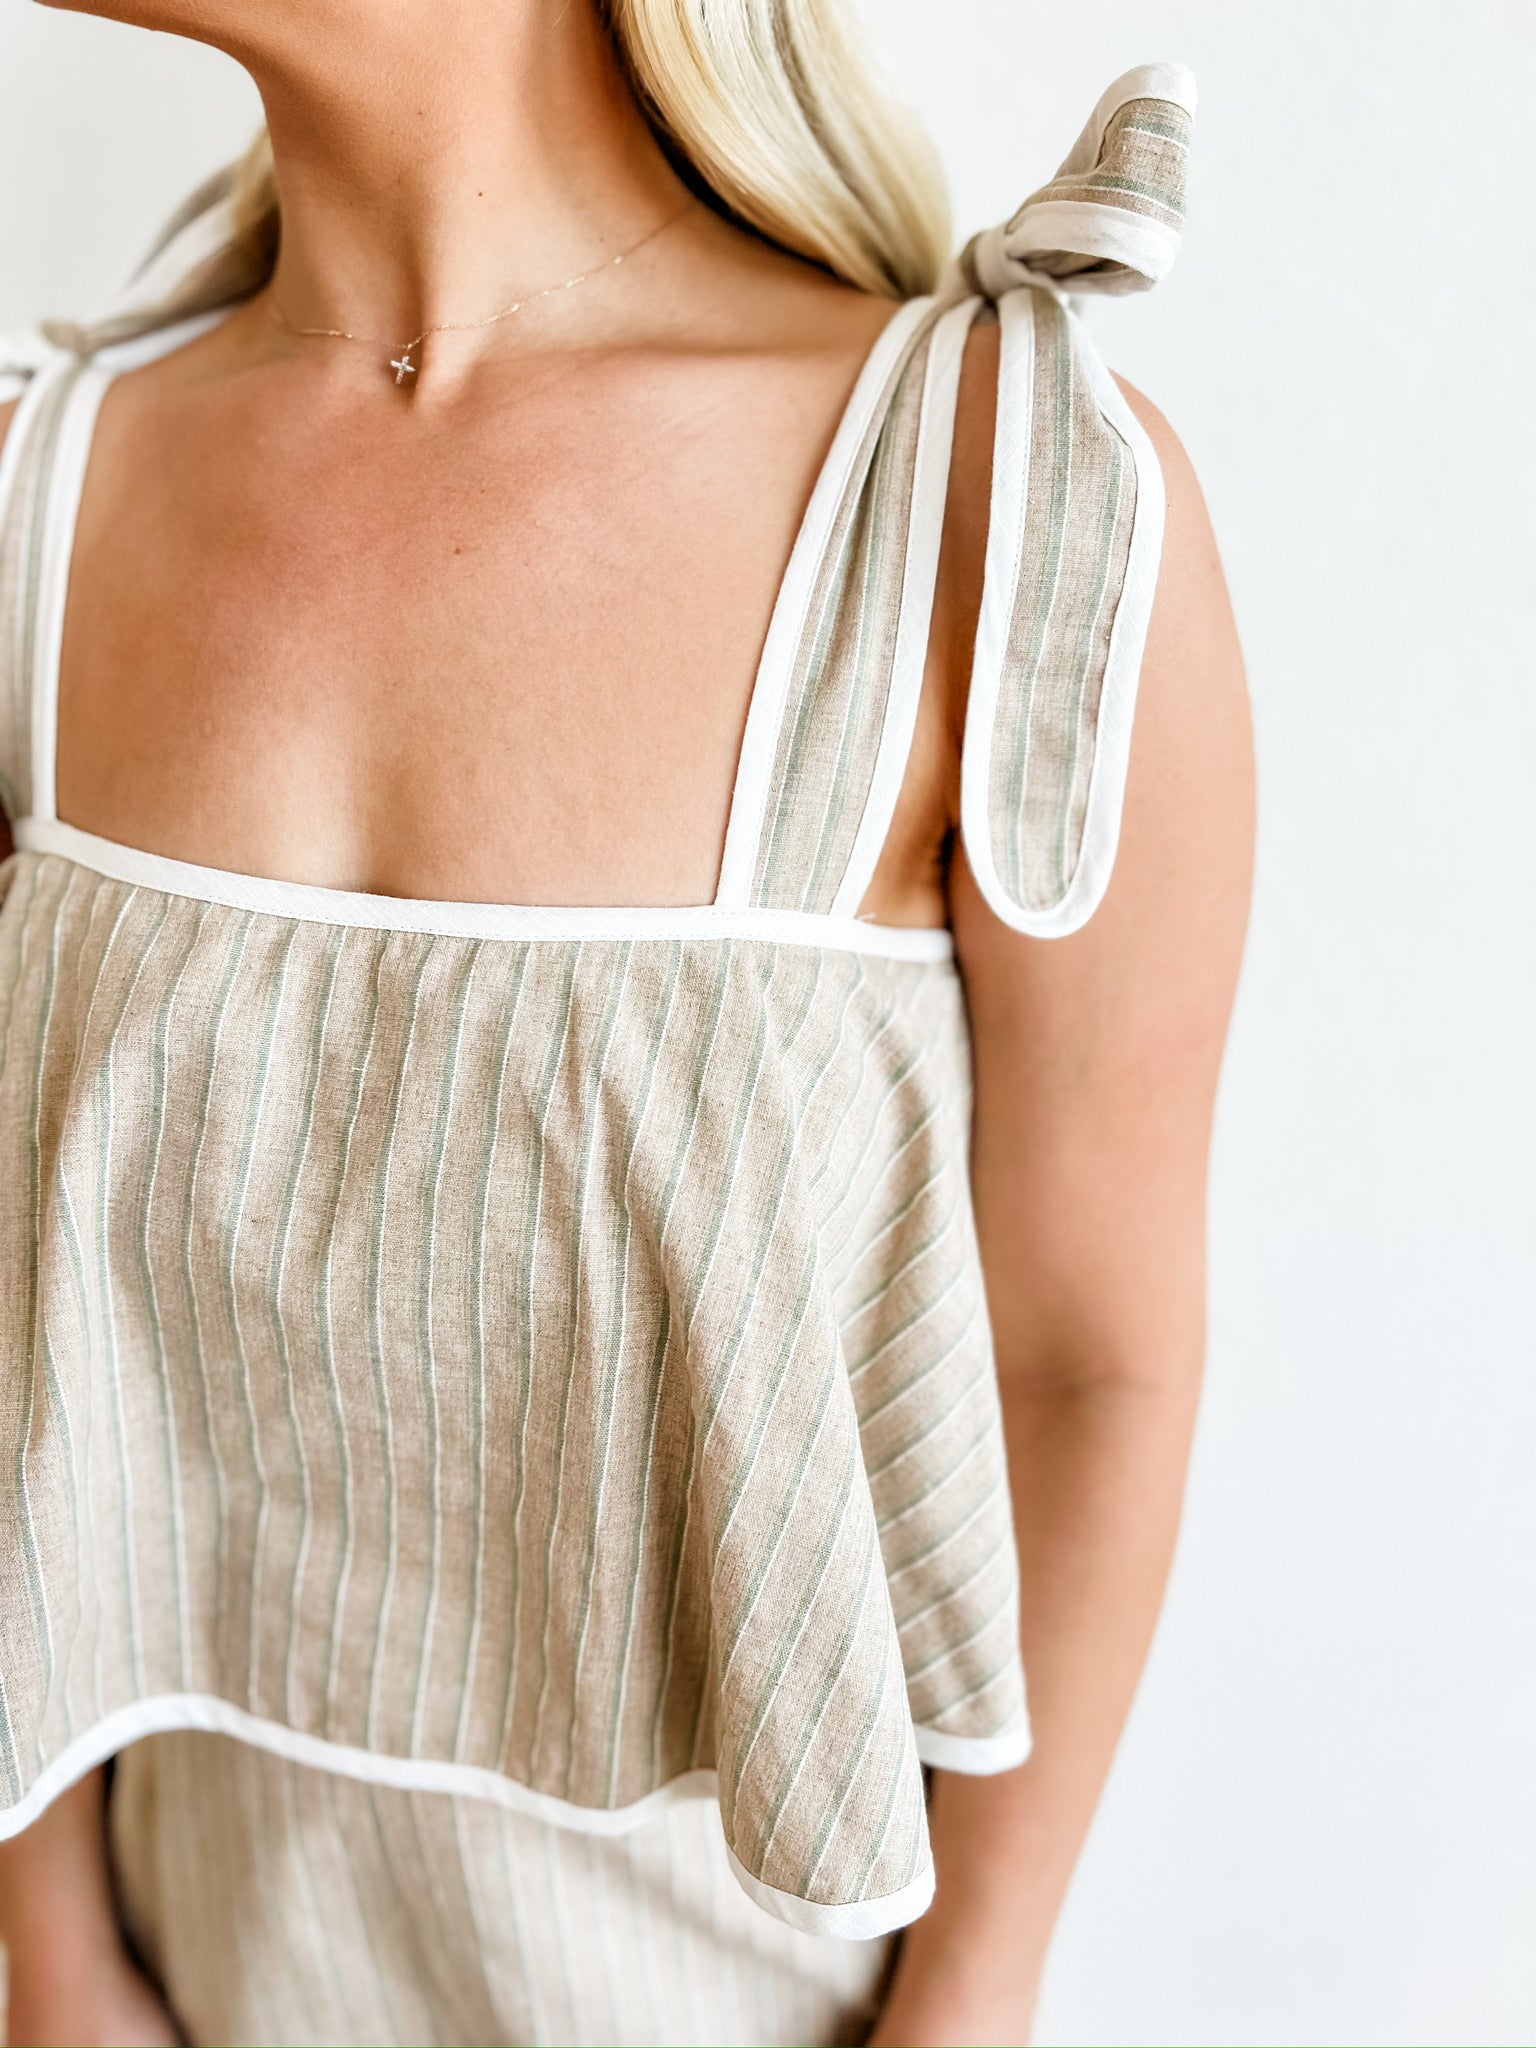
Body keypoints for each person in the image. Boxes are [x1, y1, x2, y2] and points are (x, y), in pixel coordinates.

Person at [0, 2, 1251, 2042]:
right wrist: (50, 1948)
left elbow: (1090, 1362)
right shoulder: (39, 490)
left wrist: (971, 2001)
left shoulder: (982, 498)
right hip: (188, 1975)